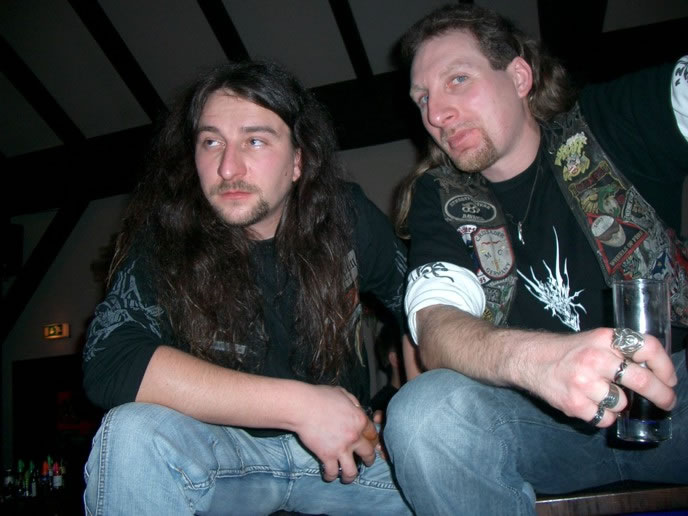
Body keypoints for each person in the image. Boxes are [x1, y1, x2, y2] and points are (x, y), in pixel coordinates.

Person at [383, 4, 688, 514]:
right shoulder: (441, 198)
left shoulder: (612, 121)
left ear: (520, 77)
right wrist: (541, 362)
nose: (436, 114)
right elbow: (435, 327)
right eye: (423, 98)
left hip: (672, 395)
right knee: (423, 415)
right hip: (541, 427)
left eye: (458, 79)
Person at [81, 60, 412, 515]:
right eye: (211, 142)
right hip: (225, 456)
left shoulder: (345, 215)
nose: (227, 167)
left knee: (447, 457)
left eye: (255, 140)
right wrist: (301, 406)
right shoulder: (165, 238)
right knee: (131, 432)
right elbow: (110, 359)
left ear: (297, 161)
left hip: (348, 458)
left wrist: (407, 415)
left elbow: (422, 310)